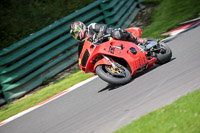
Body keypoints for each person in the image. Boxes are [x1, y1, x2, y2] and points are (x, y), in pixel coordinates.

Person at [70, 21, 146, 55]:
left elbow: (103, 26)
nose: (77, 35)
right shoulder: (85, 42)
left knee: (117, 34)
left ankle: (137, 40)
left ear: (81, 28)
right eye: (75, 35)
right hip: (107, 48)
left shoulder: (91, 27)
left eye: (77, 32)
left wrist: (100, 33)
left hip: (111, 36)